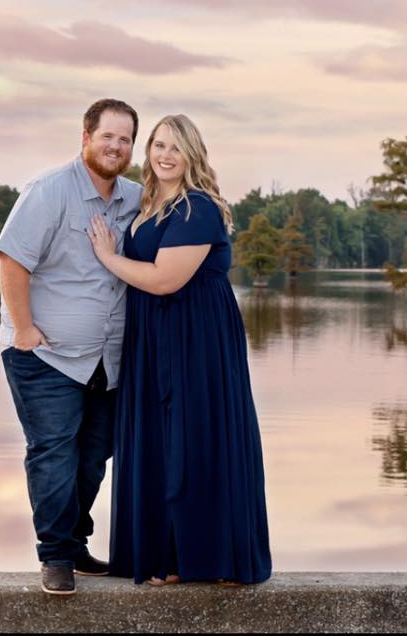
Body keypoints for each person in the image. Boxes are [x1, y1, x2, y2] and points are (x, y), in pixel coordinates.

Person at [84, 114, 272, 586]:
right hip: (152, 334)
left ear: (193, 154)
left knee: (195, 438)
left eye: (176, 147)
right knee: (159, 439)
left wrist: (109, 258)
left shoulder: (197, 208)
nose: (165, 155)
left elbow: (167, 279)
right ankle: (164, 556)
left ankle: (210, 558)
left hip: (196, 336)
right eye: (158, 145)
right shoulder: (148, 204)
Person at [0, 98, 143, 595]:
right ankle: (54, 554)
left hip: (109, 358)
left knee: (95, 454)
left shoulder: (135, 199)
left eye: (125, 139)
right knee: (54, 451)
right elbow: (12, 261)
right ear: (85, 137)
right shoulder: (50, 191)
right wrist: (24, 329)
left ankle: (75, 544)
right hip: (45, 354)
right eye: (108, 137)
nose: (116, 147)